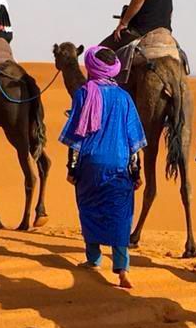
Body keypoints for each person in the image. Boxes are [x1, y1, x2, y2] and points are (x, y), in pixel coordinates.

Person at [60, 46, 147, 289]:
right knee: (121, 215)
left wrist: (72, 168)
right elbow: (133, 140)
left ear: (91, 66)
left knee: (89, 209)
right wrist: (136, 172)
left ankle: (93, 258)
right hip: (119, 163)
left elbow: (76, 137)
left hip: (89, 164)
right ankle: (122, 269)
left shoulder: (83, 94)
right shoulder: (124, 98)